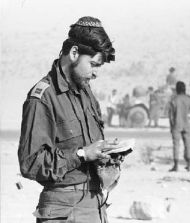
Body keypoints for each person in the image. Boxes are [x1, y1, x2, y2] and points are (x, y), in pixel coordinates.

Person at [18, 16, 122, 223]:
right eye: (92, 64)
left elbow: (91, 148)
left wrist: (106, 154)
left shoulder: (86, 94)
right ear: (74, 53)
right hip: (62, 209)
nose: (95, 73)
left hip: (95, 203)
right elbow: (30, 163)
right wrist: (82, 154)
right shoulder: (43, 97)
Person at [168, 81, 190, 171]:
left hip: (176, 125)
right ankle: (189, 165)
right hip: (187, 124)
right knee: (188, 145)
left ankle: (176, 166)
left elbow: (171, 116)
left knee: (176, 145)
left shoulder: (174, 100)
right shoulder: (189, 99)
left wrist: (171, 127)